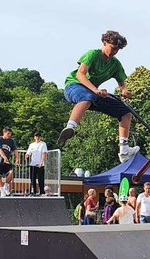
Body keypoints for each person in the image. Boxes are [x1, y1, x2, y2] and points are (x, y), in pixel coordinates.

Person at [58, 30, 139, 163]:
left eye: (117, 50)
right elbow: (80, 74)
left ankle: (124, 151)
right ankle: (70, 127)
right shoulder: (93, 54)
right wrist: (96, 90)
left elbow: (121, 82)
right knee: (87, 97)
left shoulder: (115, 64)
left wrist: (124, 90)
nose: (113, 52)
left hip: (93, 94)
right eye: (112, 48)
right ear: (104, 42)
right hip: (74, 86)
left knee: (125, 112)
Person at [0, 127, 20, 197]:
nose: (9, 135)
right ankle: (2, 191)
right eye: (8, 133)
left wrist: (17, 159)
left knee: (11, 172)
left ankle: (6, 186)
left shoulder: (11, 141)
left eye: (10, 134)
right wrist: (4, 157)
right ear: (4, 133)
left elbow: (15, 150)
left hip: (6, 161)